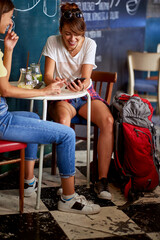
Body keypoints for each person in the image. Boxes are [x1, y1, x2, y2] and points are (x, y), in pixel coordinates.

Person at [0, 0, 100, 215]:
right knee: (66, 135)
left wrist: (8, 49)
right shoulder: (52, 43)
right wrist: (44, 91)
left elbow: (3, 82)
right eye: (9, 17)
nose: (11, 21)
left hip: (3, 113)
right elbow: (6, 90)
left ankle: (28, 184)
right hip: (1, 119)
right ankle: (68, 199)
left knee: (34, 117)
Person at [43, 2, 114, 200]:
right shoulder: (52, 41)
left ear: (83, 33)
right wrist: (54, 81)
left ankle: (102, 180)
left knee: (108, 121)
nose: (72, 39)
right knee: (64, 125)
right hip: (61, 96)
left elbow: (86, 77)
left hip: (84, 94)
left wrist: (81, 85)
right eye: (67, 34)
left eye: (77, 35)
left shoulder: (90, 44)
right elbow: (47, 75)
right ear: (60, 31)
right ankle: (68, 182)